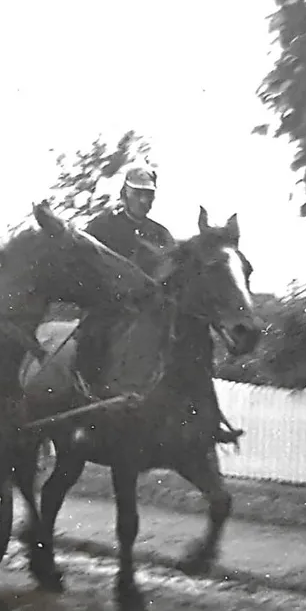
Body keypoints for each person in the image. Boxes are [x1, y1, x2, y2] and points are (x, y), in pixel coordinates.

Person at [83, 162, 240, 444]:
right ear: (124, 194)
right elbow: (86, 265)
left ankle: (210, 417)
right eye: (138, 194)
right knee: (94, 333)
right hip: (112, 306)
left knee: (197, 343)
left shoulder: (159, 232)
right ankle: (86, 398)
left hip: (152, 309)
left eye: (149, 195)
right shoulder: (103, 226)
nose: (144, 200)